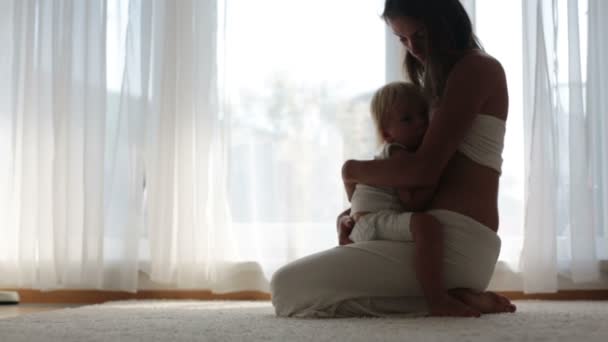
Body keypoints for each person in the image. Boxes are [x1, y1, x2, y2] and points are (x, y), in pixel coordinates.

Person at [271, 0, 517, 317]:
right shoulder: (436, 82)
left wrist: (352, 171)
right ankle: (452, 295)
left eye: (421, 35)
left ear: (447, 23)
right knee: (296, 287)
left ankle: (441, 297)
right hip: (427, 238)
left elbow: (422, 172)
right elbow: (415, 184)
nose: (413, 48)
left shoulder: (477, 69)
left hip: (455, 242)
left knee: (287, 288)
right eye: (403, 39)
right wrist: (356, 213)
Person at [344, 81, 472, 316]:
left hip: (368, 222)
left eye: (423, 115)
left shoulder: (395, 155)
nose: (421, 123)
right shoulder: (398, 153)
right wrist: (437, 175)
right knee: (427, 225)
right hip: (374, 221)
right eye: (407, 119)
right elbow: (413, 202)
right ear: (387, 134)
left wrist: (353, 215)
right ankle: (437, 299)